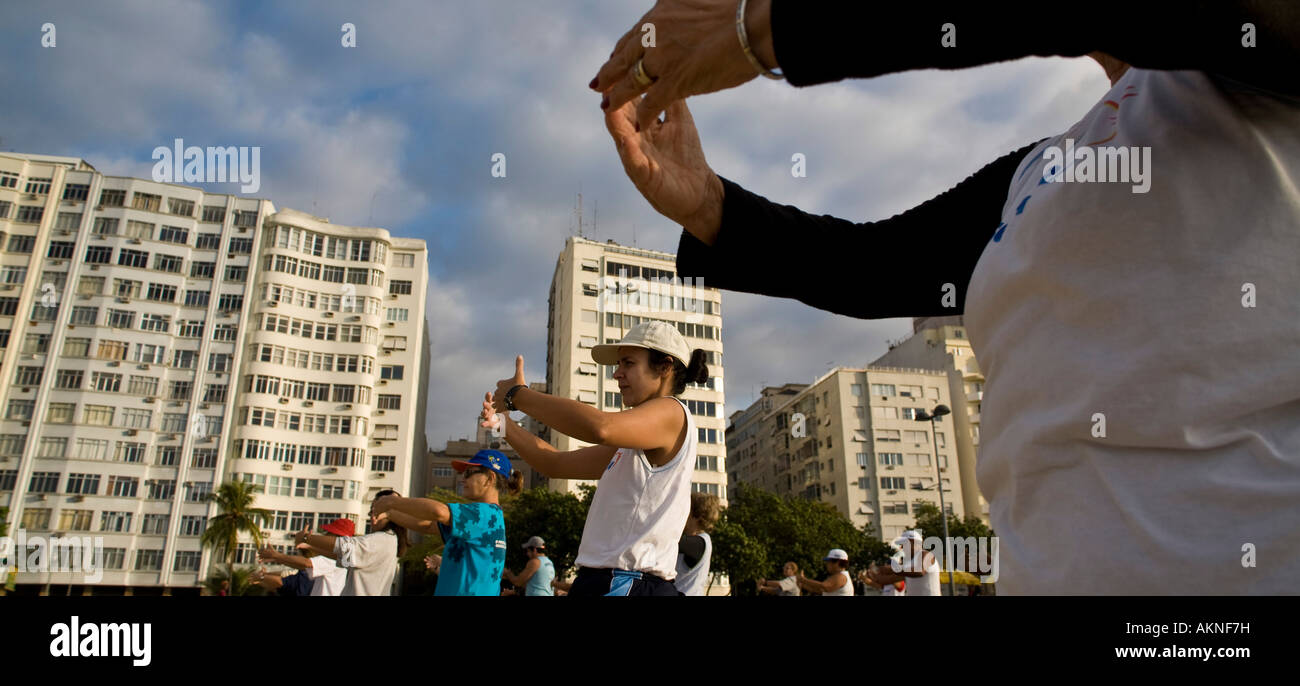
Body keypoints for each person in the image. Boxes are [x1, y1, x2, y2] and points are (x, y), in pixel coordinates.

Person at [594, 2, 1300, 595]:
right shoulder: (1045, 167)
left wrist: (761, 29)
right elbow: (869, 266)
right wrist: (709, 203)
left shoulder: (1267, 45)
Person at [481, 321, 708, 596]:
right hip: (609, 580)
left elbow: (600, 427)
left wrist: (519, 395)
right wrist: (504, 425)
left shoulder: (672, 412)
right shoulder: (635, 442)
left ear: (664, 367)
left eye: (628, 363)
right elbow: (554, 464)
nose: (617, 374)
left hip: (629, 582)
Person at [373, 450, 522, 596]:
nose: (463, 479)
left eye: (469, 473)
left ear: (490, 478)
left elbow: (438, 512)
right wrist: (390, 514)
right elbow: (428, 525)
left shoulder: (482, 513)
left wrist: (391, 501)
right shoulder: (491, 516)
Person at [295, 489, 409, 596]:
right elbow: (344, 557)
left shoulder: (380, 540)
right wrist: (311, 546)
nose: (371, 516)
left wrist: (307, 538)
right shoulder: (389, 540)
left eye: (374, 510)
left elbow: (344, 547)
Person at [256, 518, 352, 597]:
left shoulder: (335, 558)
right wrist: (277, 557)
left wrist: (276, 556)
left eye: (328, 533)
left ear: (337, 538)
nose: (325, 536)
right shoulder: (338, 557)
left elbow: (306, 563)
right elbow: (304, 565)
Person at [864, 531, 941, 597]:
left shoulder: (926, 554)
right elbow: (890, 579)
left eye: (904, 544)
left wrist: (892, 569)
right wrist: (874, 575)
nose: (901, 547)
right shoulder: (908, 564)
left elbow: (920, 571)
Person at [674, 491, 720, 596]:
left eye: (687, 510)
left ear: (697, 516)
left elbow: (668, 539)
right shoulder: (699, 541)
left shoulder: (699, 543)